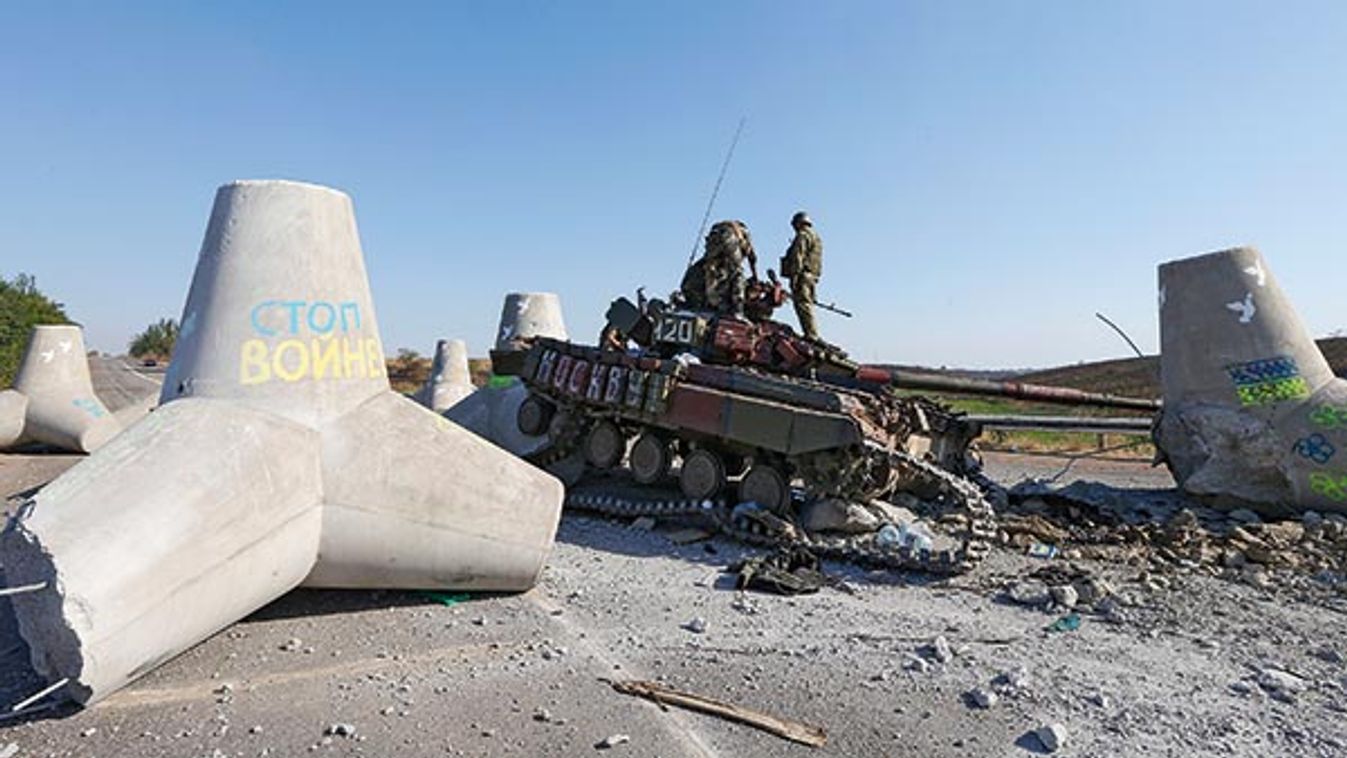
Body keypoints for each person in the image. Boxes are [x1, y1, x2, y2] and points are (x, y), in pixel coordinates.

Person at [698, 220, 755, 317]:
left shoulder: (720, 228)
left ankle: (701, 301)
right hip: (729, 242)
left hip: (714, 242)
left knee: (707, 267)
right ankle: (738, 311)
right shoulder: (743, 236)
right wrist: (754, 275)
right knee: (737, 273)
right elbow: (752, 257)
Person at [780, 211, 823, 340]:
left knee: (802, 304)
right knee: (807, 304)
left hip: (803, 275)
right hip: (812, 276)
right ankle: (812, 333)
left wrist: (794, 276)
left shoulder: (803, 236)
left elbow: (798, 257)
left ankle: (811, 334)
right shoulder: (816, 237)